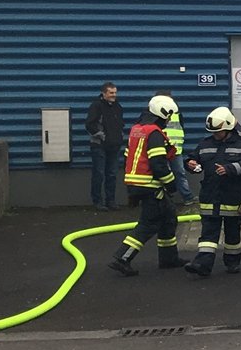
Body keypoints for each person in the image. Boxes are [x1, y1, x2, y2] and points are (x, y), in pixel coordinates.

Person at [109, 94, 182, 276]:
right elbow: (158, 163)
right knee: (148, 224)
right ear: (161, 114)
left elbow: (129, 156)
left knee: (168, 218)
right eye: (167, 117)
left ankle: (169, 258)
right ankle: (122, 257)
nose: (167, 121)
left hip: (137, 183)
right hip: (151, 185)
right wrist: (171, 183)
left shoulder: (137, 130)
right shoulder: (154, 133)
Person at [183, 107, 241, 277]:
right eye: (214, 133)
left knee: (232, 233)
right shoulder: (205, 144)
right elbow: (192, 157)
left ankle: (232, 263)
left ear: (229, 128)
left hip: (233, 197)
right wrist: (191, 163)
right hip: (210, 196)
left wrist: (230, 168)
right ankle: (202, 264)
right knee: (208, 233)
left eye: (219, 132)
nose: (216, 135)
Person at [84, 81, 125, 210]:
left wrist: (119, 137)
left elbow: (120, 124)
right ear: (104, 93)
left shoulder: (118, 106)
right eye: (111, 93)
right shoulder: (96, 106)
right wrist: (101, 135)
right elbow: (89, 124)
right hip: (99, 146)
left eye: (115, 93)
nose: (114, 95)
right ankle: (97, 201)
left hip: (114, 145)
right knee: (99, 174)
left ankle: (110, 201)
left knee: (112, 174)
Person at [164, 97, 195, 204]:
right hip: (161, 150)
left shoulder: (177, 114)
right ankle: (165, 198)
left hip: (176, 150)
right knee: (164, 174)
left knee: (180, 173)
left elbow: (181, 129)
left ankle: (187, 197)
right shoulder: (154, 116)